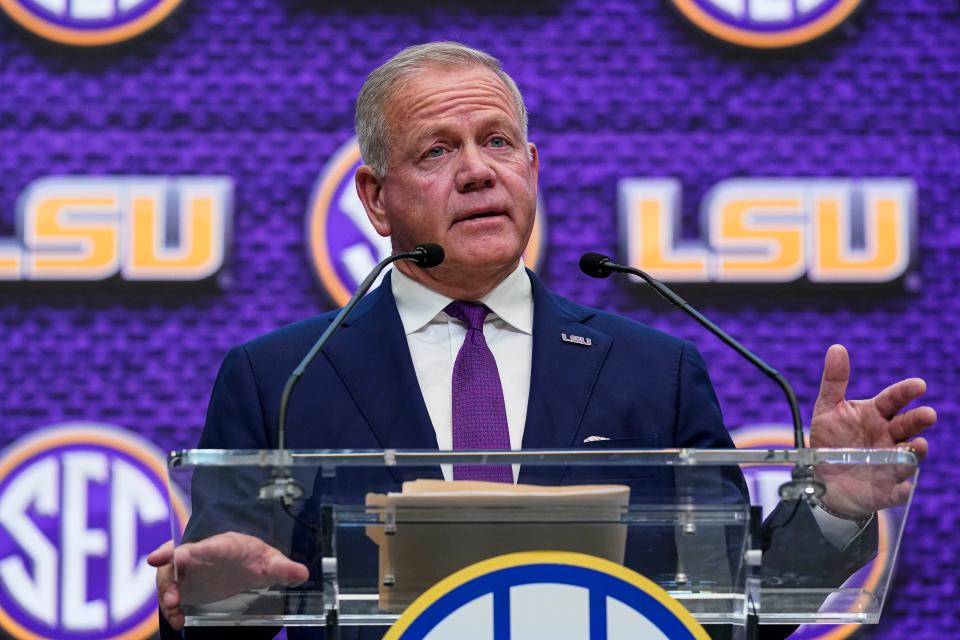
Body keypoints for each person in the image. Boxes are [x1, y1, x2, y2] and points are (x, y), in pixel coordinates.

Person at [148, 42, 935, 638]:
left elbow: (733, 610)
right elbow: (228, 598)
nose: (478, 172)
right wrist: (211, 603)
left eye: (497, 143)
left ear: (531, 167)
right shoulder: (280, 378)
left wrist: (832, 506)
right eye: (436, 151)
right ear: (375, 199)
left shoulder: (653, 371)